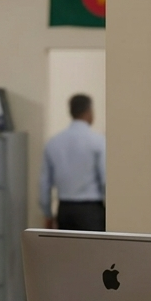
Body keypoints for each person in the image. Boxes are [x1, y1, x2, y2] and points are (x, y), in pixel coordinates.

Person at [39, 93, 106, 232]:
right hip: (91, 210)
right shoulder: (98, 141)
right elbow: (105, 179)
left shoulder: (53, 142)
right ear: (89, 112)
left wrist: (48, 214)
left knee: (67, 252)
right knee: (93, 252)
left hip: (65, 209)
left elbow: (44, 183)